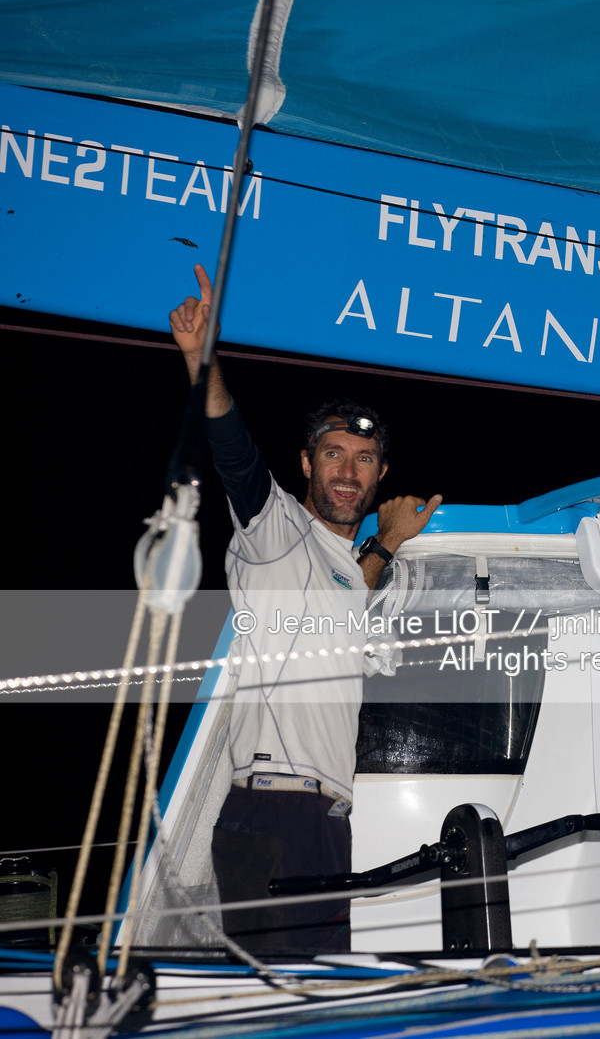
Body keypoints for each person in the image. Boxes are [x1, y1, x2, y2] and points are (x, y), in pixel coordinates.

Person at [169, 264, 441, 951]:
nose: (347, 472)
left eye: (363, 458)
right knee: (292, 993)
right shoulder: (277, 534)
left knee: (318, 990)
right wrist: (204, 364)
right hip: (274, 812)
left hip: (321, 819)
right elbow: (236, 457)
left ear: (381, 473)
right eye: (333, 454)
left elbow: (349, 597)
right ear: (306, 463)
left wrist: (386, 543)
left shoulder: (344, 566)